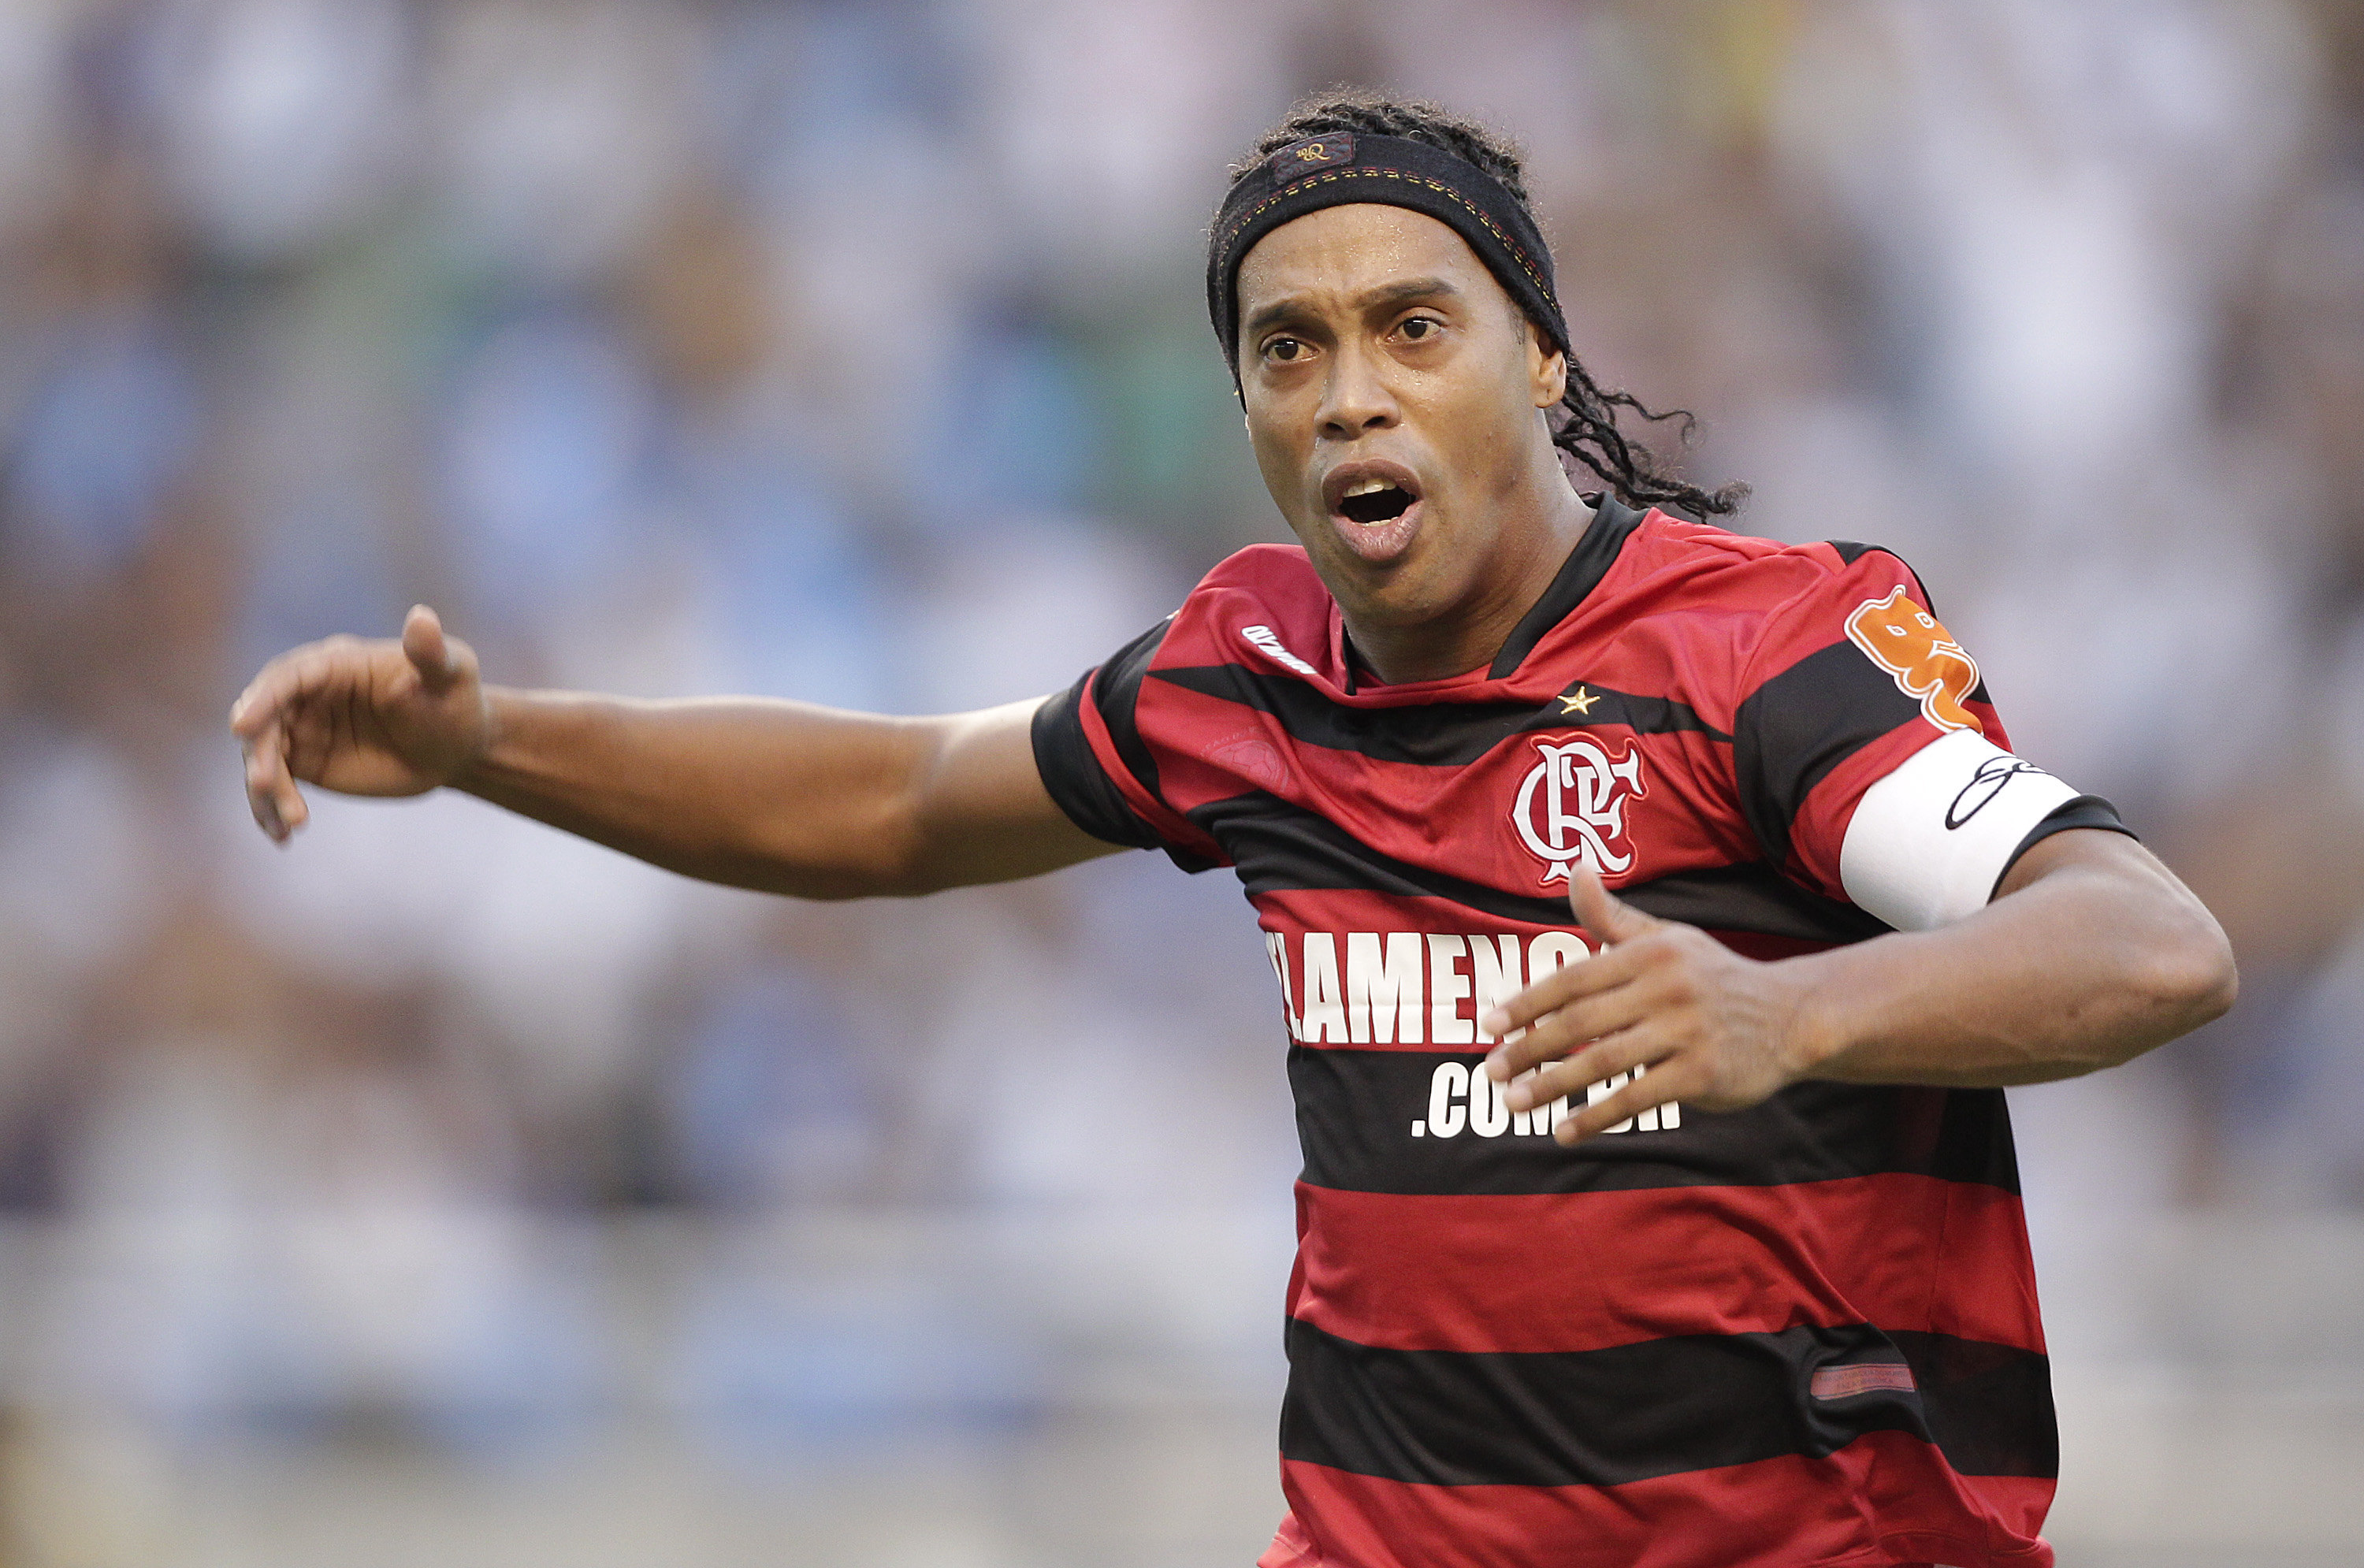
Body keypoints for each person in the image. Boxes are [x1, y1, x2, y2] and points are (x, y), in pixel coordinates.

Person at [230, 91, 2235, 1568]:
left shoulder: (1761, 649)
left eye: (1412, 328)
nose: (1351, 393)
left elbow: (2147, 939)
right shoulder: (1245, 665)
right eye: (1292, 349)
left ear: (1540, 357)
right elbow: (902, 802)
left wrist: (1792, 1018)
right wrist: (495, 741)